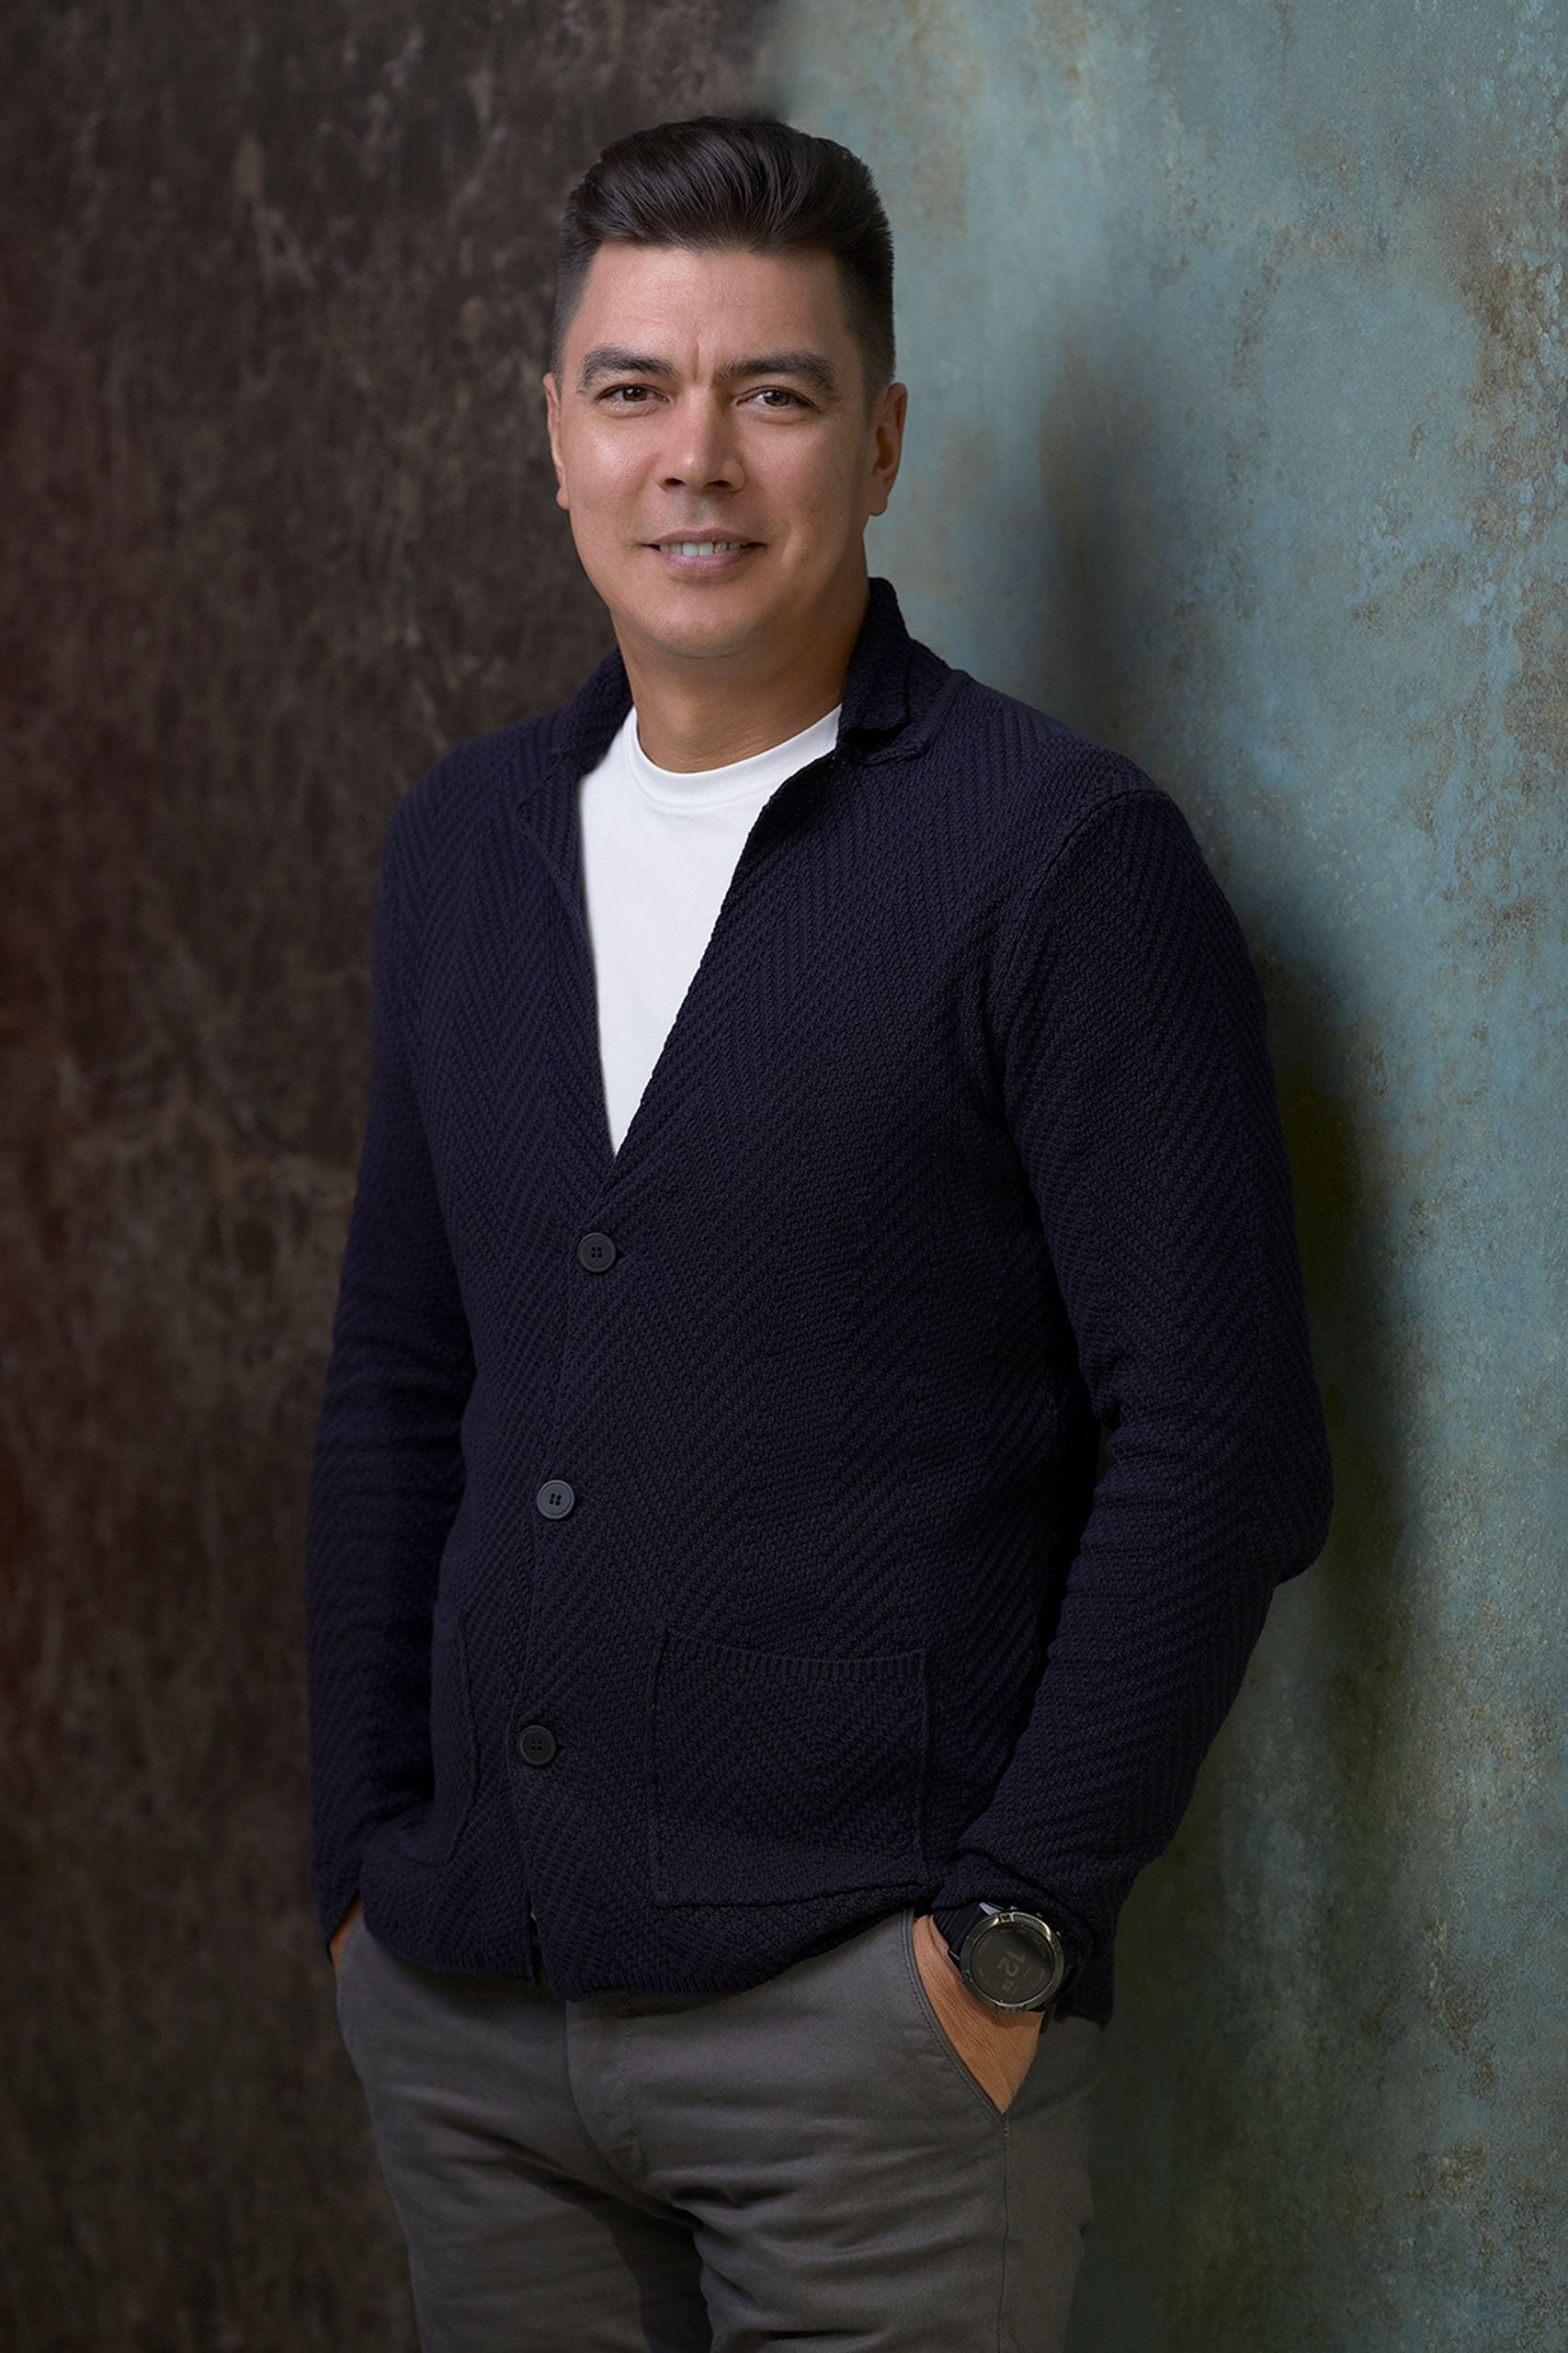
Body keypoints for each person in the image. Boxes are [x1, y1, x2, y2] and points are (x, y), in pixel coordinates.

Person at [305, 111, 1334, 2353]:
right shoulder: (465, 842)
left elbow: (1224, 1439)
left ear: (875, 442)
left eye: (770, 392)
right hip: (469, 2028)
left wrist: (1012, 1935)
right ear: (553, 435)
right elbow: (400, 1375)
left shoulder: (1060, 862)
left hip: (866, 2057)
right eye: (633, 390)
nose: (695, 458)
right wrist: (358, 1865)